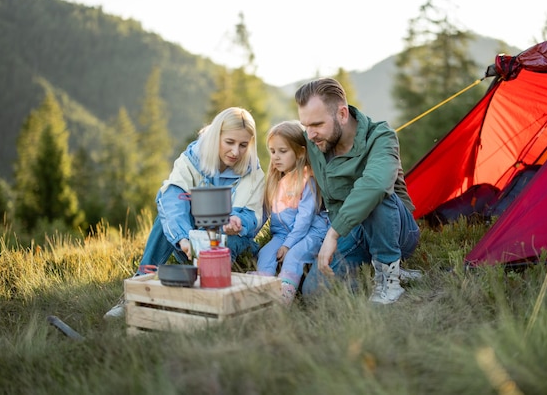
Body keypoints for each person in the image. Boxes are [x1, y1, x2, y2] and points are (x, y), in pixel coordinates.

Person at [104, 107, 265, 318]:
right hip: (192, 239)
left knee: (227, 245)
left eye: (243, 145)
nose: (236, 152)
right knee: (166, 218)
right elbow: (172, 198)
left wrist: (237, 221)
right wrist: (183, 238)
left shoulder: (252, 171)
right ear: (216, 136)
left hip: (229, 241)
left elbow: (250, 214)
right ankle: (138, 290)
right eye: (230, 142)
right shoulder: (191, 160)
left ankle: (207, 297)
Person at [295, 78, 420, 304]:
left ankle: (389, 281)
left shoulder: (381, 137)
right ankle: (379, 274)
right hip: (351, 231)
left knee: (371, 192)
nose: (310, 135)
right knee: (314, 292)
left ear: (342, 114)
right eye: (305, 126)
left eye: (317, 125)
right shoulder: (315, 141)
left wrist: (333, 234)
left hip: (396, 229)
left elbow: (377, 183)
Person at [252, 121, 329, 305]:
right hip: (283, 234)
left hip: (312, 231)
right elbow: (264, 213)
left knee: (293, 257)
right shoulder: (276, 180)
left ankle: (284, 297)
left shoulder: (306, 179)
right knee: (265, 253)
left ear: (300, 152)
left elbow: (305, 218)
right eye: (272, 151)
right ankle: (263, 289)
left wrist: (288, 245)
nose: (276, 157)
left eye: (282, 151)